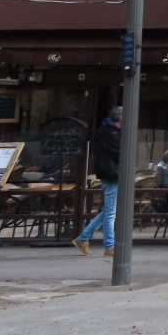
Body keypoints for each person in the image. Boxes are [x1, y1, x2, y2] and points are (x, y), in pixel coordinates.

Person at [72, 106, 121, 257]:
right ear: (121, 119)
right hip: (113, 174)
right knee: (111, 212)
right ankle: (109, 246)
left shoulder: (102, 131)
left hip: (106, 173)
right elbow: (122, 154)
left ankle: (83, 238)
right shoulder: (113, 134)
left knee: (108, 210)